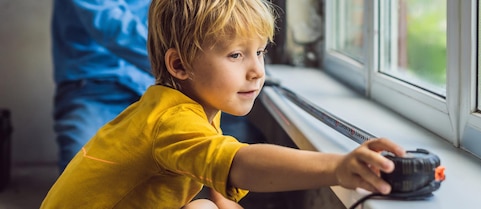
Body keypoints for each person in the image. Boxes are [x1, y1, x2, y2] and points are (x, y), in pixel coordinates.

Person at [41, 0, 406, 208]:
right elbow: (239, 163)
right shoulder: (171, 121)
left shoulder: (184, 108)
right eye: (236, 55)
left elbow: (219, 181)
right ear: (179, 65)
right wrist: (338, 167)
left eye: (260, 52)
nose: (257, 72)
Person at [51, 0, 154, 172]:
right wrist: (180, 62)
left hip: (152, 87)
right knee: (81, 174)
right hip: (91, 89)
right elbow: (110, 23)